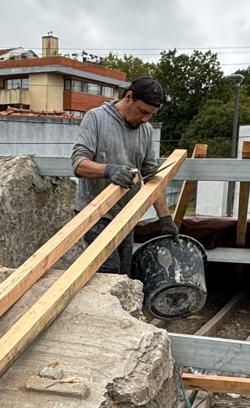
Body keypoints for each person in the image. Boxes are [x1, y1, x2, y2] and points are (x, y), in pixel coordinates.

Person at [71, 76, 177, 274]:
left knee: (124, 273)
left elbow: (152, 177)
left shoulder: (145, 130)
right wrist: (108, 170)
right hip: (94, 213)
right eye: (143, 112)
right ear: (129, 97)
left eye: (151, 115)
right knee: (109, 270)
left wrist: (165, 219)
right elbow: (78, 164)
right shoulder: (96, 118)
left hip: (125, 215)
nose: (145, 119)